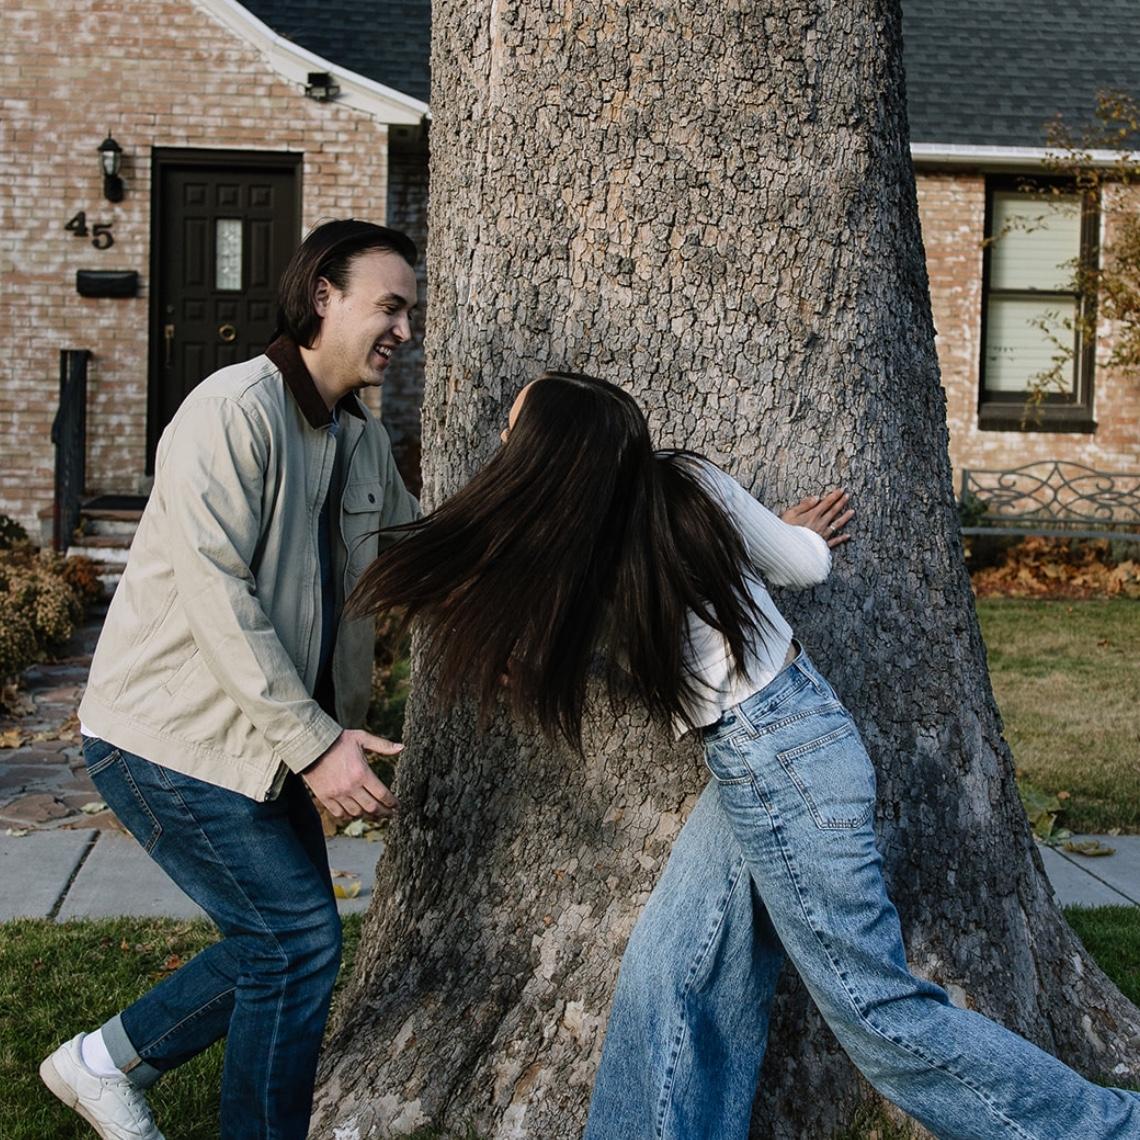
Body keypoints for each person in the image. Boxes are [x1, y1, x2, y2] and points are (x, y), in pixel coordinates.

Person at [349, 370, 1140, 1140]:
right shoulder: (687, 489)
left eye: (512, 429)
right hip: (782, 742)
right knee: (671, 971)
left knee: (877, 1013)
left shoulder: (570, 561)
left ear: (548, 457)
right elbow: (806, 563)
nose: (501, 439)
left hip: (777, 763)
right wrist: (775, 535)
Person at [39, 219, 421, 1140]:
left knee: (283, 943)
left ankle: (101, 1063)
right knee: (296, 942)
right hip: (167, 739)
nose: (405, 331)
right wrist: (319, 746)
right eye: (390, 307)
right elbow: (219, 596)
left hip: (261, 746)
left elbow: (419, 550)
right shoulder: (233, 409)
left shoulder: (359, 438)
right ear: (323, 296)